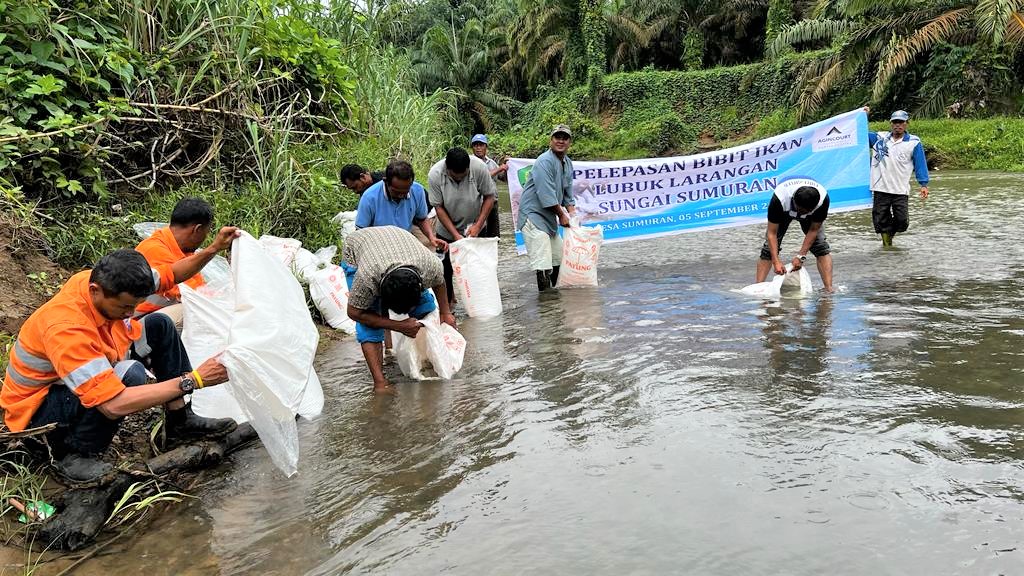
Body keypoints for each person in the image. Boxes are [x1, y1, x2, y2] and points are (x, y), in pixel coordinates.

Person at [1, 229, 241, 484]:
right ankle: (75, 454)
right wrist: (194, 379)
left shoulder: (109, 282)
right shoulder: (66, 328)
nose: (131, 313)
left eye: (135, 305)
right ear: (96, 291)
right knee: (130, 374)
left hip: (74, 379)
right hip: (39, 414)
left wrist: (213, 248)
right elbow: (111, 404)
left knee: (160, 324)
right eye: (125, 307)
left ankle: (179, 422)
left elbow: (172, 274)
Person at [342, 226, 456, 394]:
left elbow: (440, 281)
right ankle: (380, 383)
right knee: (370, 325)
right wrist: (397, 325)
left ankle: (427, 362)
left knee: (426, 310)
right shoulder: (366, 278)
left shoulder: (430, 266)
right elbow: (354, 313)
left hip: (400, 245)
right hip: (358, 247)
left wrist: (445, 313)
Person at [428, 147, 497, 304]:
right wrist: (456, 236)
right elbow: (438, 207)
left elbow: (489, 197)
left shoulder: (479, 167)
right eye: (455, 177)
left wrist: (478, 225)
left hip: (476, 229)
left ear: (468, 168)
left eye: (463, 176)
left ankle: (480, 303)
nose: (460, 180)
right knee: (444, 272)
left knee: (479, 268)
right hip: (446, 233)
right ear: (447, 169)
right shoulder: (435, 174)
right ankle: (448, 307)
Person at [134, 197, 213, 328]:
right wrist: (214, 248)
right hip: (137, 322)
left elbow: (200, 289)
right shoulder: (155, 250)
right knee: (195, 312)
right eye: (206, 232)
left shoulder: (183, 250)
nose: (206, 238)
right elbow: (190, 296)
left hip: (153, 317)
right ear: (197, 229)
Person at [517, 124, 576, 292]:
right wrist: (563, 216)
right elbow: (547, 196)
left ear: (569, 142)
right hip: (533, 216)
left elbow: (567, 192)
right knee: (543, 262)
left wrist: (573, 214)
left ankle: (556, 300)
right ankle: (546, 301)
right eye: (557, 137)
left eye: (565, 138)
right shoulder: (544, 161)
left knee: (559, 257)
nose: (561, 141)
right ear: (551, 140)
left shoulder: (567, 162)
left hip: (548, 218)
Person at [756, 182, 834, 292]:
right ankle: (758, 288)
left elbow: (813, 230)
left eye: (807, 212)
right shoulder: (779, 199)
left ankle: (829, 289)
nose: (802, 214)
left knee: (821, 247)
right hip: (784, 212)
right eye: (801, 211)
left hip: (809, 212)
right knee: (768, 250)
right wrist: (776, 262)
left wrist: (801, 256)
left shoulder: (822, 201)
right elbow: (771, 233)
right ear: (794, 200)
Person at [868, 110, 930, 247]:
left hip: (900, 189)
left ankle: (890, 234)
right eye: (895, 122)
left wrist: (923, 184)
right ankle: (887, 246)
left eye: (901, 122)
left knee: (902, 222)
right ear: (891, 124)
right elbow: (860, 136)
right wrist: (863, 116)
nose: (898, 125)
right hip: (880, 187)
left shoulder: (914, 142)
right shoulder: (880, 138)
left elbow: (920, 164)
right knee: (880, 220)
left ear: (906, 123)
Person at [356, 160, 445, 252]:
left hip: (404, 242)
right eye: (396, 192)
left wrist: (431, 237)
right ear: (386, 181)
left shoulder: (417, 190)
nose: (401, 196)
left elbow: (421, 219)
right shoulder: (369, 198)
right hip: (378, 246)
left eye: (405, 191)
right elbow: (360, 232)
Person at [470, 134, 507, 238]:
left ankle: (494, 253)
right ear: (472, 148)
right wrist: (500, 168)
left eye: (481, 145)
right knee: (481, 235)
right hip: (478, 204)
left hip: (493, 203)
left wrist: (507, 167)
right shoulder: (470, 162)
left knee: (494, 236)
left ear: (486, 147)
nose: (478, 148)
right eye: (475, 145)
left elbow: (502, 178)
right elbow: (482, 177)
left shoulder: (491, 162)